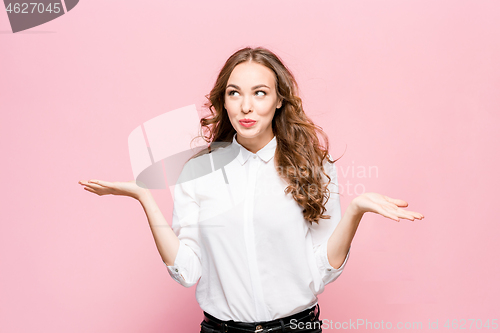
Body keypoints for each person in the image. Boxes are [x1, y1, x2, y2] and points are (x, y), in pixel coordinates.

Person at [79, 46, 424, 333]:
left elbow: (322, 270)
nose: (246, 106)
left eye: (260, 93)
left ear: (278, 101)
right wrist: (144, 198)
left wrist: (355, 211)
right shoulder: (198, 171)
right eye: (234, 93)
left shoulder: (314, 167)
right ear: (223, 102)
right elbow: (187, 271)